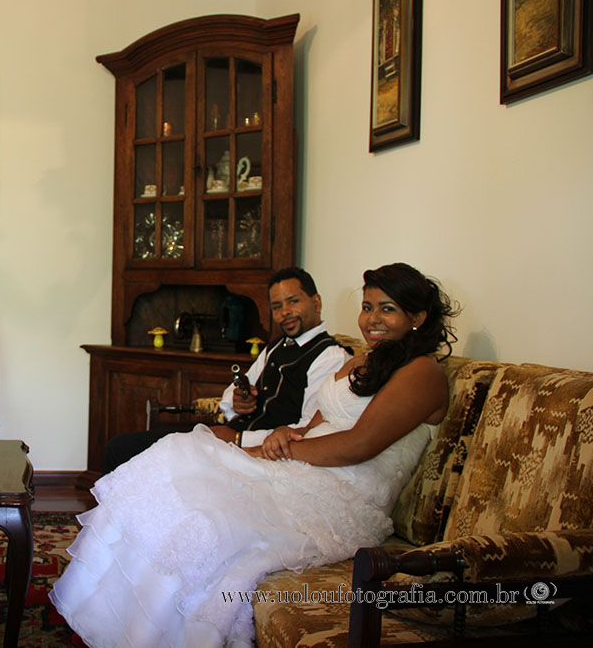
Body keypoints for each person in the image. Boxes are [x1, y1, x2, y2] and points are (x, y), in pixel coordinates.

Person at [51, 263, 456, 647]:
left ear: (417, 317)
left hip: (345, 491)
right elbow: (316, 421)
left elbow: (359, 445)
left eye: (387, 309)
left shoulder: (422, 373)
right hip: (307, 464)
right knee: (176, 462)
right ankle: (117, 620)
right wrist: (286, 435)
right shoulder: (364, 360)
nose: (372, 319)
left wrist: (268, 451)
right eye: (367, 307)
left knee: (203, 509)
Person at [102, 267, 351, 473]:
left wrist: (239, 439)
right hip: (225, 438)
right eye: (277, 306)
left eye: (293, 302)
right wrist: (238, 400)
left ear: (316, 302)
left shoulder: (330, 357)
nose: (285, 312)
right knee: (122, 447)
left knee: (125, 451)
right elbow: (232, 393)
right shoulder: (274, 348)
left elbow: (307, 428)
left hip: (256, 454)